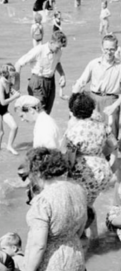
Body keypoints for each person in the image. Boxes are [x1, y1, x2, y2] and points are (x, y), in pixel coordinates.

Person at [22, 148, 87, 271]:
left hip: (53, 262)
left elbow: (39, 245)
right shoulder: (78, 189)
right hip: (76, 256)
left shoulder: (43, 201)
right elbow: (81, 228)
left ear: (37, 173)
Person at [64, 92, 113, 238]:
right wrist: (100, 155)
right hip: (101, 171)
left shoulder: (73, 130)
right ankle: (94, 238)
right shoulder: (101, 125)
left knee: (78, 209)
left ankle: (80, 240)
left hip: (84, 172)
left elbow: (70, 159)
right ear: (91, 108)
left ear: (72, 110)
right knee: (88, 206)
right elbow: (113, 145)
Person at [73, 34, 121, 140]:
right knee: (91, 135)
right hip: (93, 101)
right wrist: (73, 105)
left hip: (112, 102)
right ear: (101, 48)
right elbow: (81, 82)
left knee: (111, 138)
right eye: (106, 49)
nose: (109, 52)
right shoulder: (93, 64)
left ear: (116, 49)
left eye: (112, 49)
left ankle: (111, 157)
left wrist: (114, 106)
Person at [15, 30, 67, 115]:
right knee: (39, 112)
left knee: (47, 113)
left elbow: (57, 62)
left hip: (50, 83)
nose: (59, 50)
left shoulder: (58, 51)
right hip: (37, 83)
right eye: (58, 47)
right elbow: (18, 64)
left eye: (61, 47)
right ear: (51, 42)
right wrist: (16, 88)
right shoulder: (38, 50)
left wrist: (62, 74)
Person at [0, 64, 20, 155]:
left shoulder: (9, 82)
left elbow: (13, 90)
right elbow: (3, 102)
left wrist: (14, 93)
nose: (14, 73)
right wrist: (14, 97)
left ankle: (9, 146)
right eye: (12, 70)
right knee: (0, 133)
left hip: (4, 110)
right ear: (6, 72)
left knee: (14, 127)